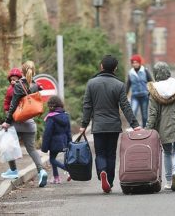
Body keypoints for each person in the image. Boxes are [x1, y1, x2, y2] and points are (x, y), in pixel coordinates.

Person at [80, 55, 141, 193]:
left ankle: (102, 172)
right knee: (111, 154)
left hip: (98, 126)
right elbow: (125, 106)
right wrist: (134, 124)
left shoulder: (91, 83)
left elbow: (87, 106)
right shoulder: (119, 85)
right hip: (113, 126)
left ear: (101, 66)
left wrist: (84, 124)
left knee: (100, 153)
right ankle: (110, 181)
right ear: (115, 68)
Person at [1, 60, 48, 187]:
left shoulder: (18, 85)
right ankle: (41, 171)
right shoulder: (34, 84)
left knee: (8, 146)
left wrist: (7, 122)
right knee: (32, 149)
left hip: (16, 122)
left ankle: (13, 170)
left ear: (22, 71)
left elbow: (13, 105)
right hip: (30, 123)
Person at [146, 61, 175, 191]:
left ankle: (169, 181)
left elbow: (153, 113)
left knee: (167, 153)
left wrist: (148, 130)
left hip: (163, 127)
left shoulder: (154, 90)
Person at [41, 96, 72, 184]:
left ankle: (67, 169)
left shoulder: (50, 117)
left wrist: (44, 147)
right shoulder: (65, 115)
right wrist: (69, 142)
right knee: (52, 158)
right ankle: (56, 178)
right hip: (64, 140)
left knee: (52, 159)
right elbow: (68, 131)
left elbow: (47, 133)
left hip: (54, 141)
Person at [126, 54, 153, 127]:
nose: (135, 64)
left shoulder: (145, 71)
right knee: (133, 112)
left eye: (136, 62)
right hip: (135, 96)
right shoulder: (131, 72)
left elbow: (151, 82)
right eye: (133, 62)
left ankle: (144, 129)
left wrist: (151, 93)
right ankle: (133, 128)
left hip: (144, 96)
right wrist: (125, 95)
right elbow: (128, 84)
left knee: (144, 115)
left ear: (139, 63)